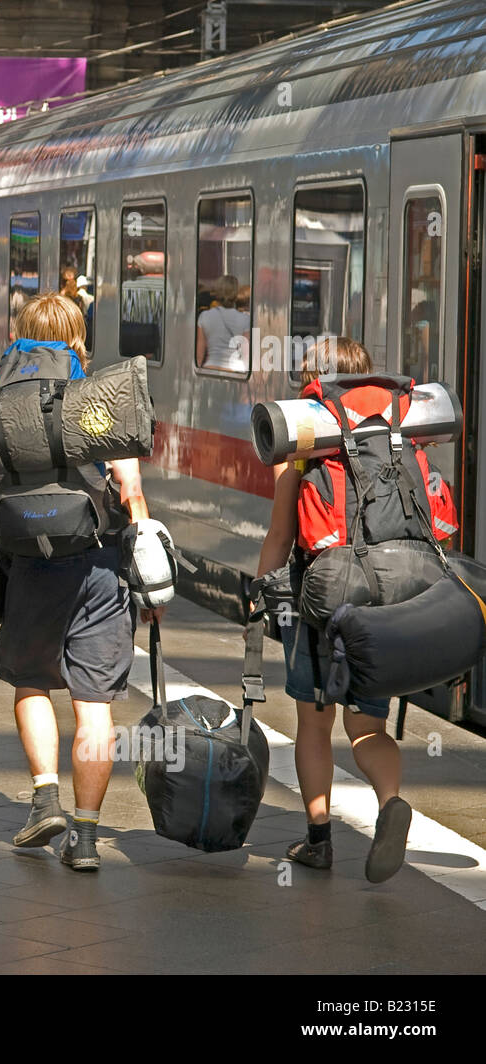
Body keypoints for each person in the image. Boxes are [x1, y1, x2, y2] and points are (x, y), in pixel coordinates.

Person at [0, 292, 161, 873]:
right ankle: (84, 836)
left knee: (32, 683)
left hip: (28, 566)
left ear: (20, 336)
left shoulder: (1, 404)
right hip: (100, 566)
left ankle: (44, 797)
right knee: (95, 704)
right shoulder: (101, 399)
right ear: (78, 337)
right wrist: (150, 573)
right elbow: (131, 490)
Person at [254, 336, 412, 883]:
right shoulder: (394, 437)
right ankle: (390, 800)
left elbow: (280, 535)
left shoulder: (303, 443)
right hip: (387, 597)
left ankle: (318, 838)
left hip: (319, 599)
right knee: (367, 726)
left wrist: (259, 593)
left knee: (315, 725)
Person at [196, 273, 250, 372]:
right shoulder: (245, 319)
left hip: (210, 369)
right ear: (235, 293)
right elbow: (246, 355)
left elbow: (199, 356)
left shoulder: (204, 317)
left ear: (217, 292)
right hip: (235, 372)